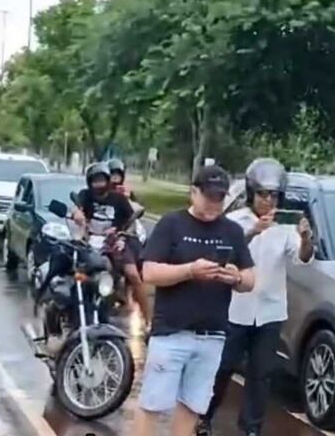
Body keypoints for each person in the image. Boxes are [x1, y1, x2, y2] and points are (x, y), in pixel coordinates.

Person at [133, 165, 256, 436]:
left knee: (192, 406)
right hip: (172, 333)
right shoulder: (172, 224)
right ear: (193, 192)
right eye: (209, 197)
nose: (214, 204)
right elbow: (149, 272)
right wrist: (190, 270)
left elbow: (250, 280)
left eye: (220, 198)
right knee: (153, 404)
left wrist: (234, 277)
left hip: (212, 337)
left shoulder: (232, 231)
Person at [195, 158, 313, 436]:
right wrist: (253, 232)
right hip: (235, 310)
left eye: (273, 195)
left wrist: (306, 239)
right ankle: (203, 416)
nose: (268, 201)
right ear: (251, 192)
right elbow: (225, 256)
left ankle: (251, 428)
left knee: (261, 376)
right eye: (262, 194)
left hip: (270, 312)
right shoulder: (234, 222)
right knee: (222, 368)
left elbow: (301, 258)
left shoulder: (285, 227)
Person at [72, 162, 152, 327]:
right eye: (95, 181)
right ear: (89, 182)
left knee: (132, 274)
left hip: (115, 242)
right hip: (90, 242)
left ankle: (149, 319)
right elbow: (76, 209)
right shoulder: (85, 196)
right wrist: (78, 215)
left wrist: (120, 236)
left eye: (102, 180)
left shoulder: (120, 199)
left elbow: (130, 221)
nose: (99, 184)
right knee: (73, 271)